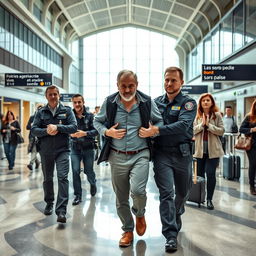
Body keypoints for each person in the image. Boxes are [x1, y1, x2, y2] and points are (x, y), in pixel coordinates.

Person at [93, 70, 163, 247]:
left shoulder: (147, 101)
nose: (126, 90)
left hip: (140, 153)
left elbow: (160, 122)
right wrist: (107, 132)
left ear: (136, 85)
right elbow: (97, 121)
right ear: (117, 85)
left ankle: (140, 213)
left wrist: (151, 131)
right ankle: (127, 230)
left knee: (138, 191)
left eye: (130, 85)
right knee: (121, 197)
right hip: (116, 156)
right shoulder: (109, 102)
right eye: (123, 86)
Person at [139, 66, 196, 253]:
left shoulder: (189, 103)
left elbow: (184, 125)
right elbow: (146, 123)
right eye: (166, 80)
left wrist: (156, 130)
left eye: (173, 80)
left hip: (183, 154)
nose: (169, 83)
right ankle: (170, 235)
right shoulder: (155, 103)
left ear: (181, 82)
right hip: (162, 154)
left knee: (183, 193)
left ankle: (177, 212)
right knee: (166, 194)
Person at [31, 85, 77, 223]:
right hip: (46, 151)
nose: (52, 97)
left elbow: (74, 127)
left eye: (55, 94)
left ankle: (61, 211)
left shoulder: (67, 111)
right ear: (46, 96)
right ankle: (49, 202)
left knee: (63, 178)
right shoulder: (41, 112)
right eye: (50, 94)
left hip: (63, 150)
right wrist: (46, 131)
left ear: (59, 96)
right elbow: (34, 129)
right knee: (48, 179)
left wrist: (58, 127)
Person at [193, 93, 224, 209]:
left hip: (213, 151)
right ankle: (200, 197)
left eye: (208, 100)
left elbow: (221, 131)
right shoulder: (196, 116)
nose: (205, 102)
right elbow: (192, 131)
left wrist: (209, 125)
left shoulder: (217, 115)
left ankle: (209, 199)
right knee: (199, 176)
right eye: (203, 100)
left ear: (211, 102)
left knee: (210, 174)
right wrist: (202, 125)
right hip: (199, 151)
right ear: (200, 103)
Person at [70, 94, 98, 205]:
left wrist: (85, 133)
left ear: (83, 102)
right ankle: (78, 195)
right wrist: (69, 133)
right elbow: (65, 129)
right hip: (74, 148)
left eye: (79, 102)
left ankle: (93, 182)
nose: (77, 104)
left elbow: (96, 131)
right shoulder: (69, 115)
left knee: (88, 171)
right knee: (75, 171)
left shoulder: (90, 116)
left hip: (88, 148)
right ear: (73, 103)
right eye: (75, 102)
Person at [239, 99, 256, 195]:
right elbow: (241, 129)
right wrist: (252, 129)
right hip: (252, 145)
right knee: (253, 164)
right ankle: (252, 186)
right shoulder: (249, 117)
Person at [26, 104, 44, 171]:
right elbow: (27, 127)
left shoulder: (44, 118)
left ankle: (37, 162)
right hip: (32, 137)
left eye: (41, 109)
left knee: (39, 151)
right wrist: (31, 126)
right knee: (33, 150)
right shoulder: (32, 117)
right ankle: (31, 163)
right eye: (38, 108)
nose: (40, 110)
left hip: (41, 137)